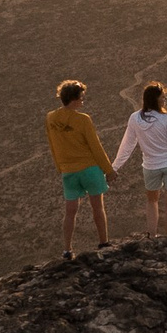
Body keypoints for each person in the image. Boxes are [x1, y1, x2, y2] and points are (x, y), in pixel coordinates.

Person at [113, 81, 167, 235]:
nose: (164, 100)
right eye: (162, 97)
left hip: (150, 167)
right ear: (155, 99)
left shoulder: (135, 118)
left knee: (151, 201)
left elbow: (127, 145)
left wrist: (115, 166)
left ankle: (152, 235)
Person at [45, 79, 114, 257]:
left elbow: (53, 145)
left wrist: (60, 167)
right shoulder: (83, 120)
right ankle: (103, 242)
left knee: (70, 212)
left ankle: (67, 249)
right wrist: (108, 170)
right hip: (89, 168)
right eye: (81, 97)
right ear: (73, 99)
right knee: (97, 207)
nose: (83, 100)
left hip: (68, 171)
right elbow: (95, 146)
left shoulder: (51, 118)